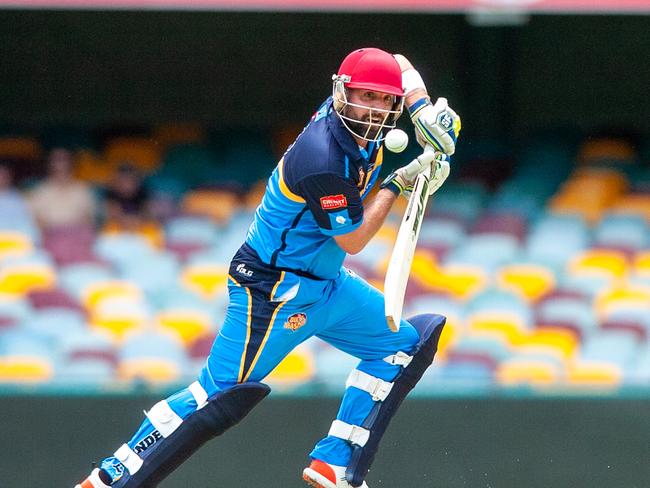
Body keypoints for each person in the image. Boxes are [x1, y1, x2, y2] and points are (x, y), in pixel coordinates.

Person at [75, 47, 461, 488]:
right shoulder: (321, 158)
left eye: (384, 100)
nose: (372, 109)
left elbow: (398, 60)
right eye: (364, 97)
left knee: (403, 346)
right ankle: (111, 477)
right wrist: (401, 181)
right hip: (273, 290)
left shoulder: (364, 124)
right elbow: (353, 240)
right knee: (217, 398)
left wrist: (422, 110)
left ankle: (334, 464)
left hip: (326, 286)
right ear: (342, 93)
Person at [28, 147, 96, 230]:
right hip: (49, 236)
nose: (60, 163)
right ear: (50, 163)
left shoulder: (82, 189)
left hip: (76, 234)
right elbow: (35, 220)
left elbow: (88, 218)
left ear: (71, 162)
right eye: (56, 159)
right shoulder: (39, 191)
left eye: (64, 159)